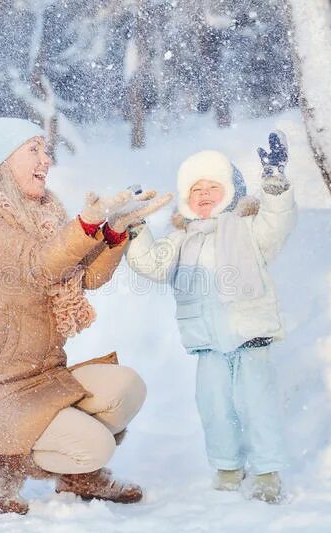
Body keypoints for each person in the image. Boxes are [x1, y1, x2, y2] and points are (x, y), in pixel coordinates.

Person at [0, 117, 172, 514]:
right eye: (33, 150)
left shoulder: (45, 214)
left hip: (47, 373)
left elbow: (86, 275)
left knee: (128, 388)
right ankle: (0, 460)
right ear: (3, 160)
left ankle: (77, 475)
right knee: (95, 445)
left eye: (45, 149)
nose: (46, 159)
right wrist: (85, 223)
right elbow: (40, 265)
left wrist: (115, 231)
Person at [125, 133, 297, 503]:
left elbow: (278, 222)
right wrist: (135, 226)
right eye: (196, 188)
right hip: (207, 342)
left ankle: (267, 471)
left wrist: (275, 182)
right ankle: (227, 465)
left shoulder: (249, 230)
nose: (203, 194)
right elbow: (149, 264)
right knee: (215, 407)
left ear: (231, 192)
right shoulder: (180, 238)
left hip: (251, 336)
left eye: (213, 187)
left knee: (257, 405)